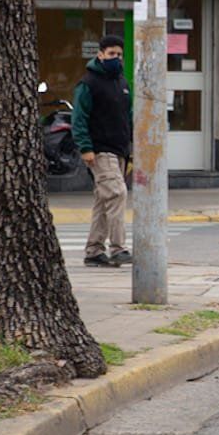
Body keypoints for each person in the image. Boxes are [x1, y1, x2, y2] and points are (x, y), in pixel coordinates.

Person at [71, 35, 131, 267]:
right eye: (111, 54)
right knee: (117, 193)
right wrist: (85, 147)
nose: (115, 58)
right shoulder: (88, 83)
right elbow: (79, 118)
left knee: (104, 201)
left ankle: (94, 251)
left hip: (119, 151)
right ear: (100, 54)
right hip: (99, 150)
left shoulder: (122, 83)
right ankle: (118, 248)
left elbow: (128, 117)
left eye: (119, 54)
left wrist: (130, 149)